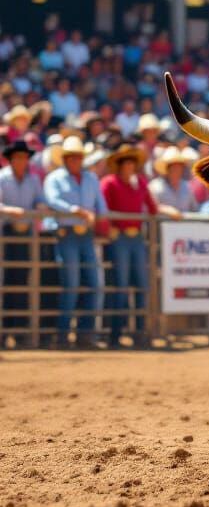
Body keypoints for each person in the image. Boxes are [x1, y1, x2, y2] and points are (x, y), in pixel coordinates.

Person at [100, 142, 181, 347]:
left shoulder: (141, 183)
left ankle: (139, 333)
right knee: (121, 286)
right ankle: (115, 335)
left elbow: (152, 207)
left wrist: (165, 210)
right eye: (125, 162)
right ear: (119, 165)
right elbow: (103, 209)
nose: (128, 166)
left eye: (131, 162)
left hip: (136, 238)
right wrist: (108, 228)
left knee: (141, 285)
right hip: (119, 239)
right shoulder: (109, 183)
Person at [42, 136, 105, 348]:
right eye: (72, 157)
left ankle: (84, 335)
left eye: (78, 157)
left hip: (85, 234)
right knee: (71, 284)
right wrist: (75, 210)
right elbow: (51, 200)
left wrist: (97, 216)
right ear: (66, 158)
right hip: (66, 233)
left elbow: (101, 206)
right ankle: (62, 335)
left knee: (93, 285)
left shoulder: (91, 179)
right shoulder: (54, 178)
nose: (75, 160)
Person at [0, 139, 47, 343]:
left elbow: (41, 200)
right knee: (5, 279)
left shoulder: (34, 180)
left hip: (26, 233)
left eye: (24, 157)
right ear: (11, 159)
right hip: (6, 233)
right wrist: (10, 211)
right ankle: (3, 332)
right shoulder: (2, 178)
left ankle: (19, 330)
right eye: (18, 157)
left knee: (22, 279)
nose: (21, 161)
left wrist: (40, 207)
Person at [149, 147, 196, 213]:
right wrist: (164, 209)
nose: (177, 170)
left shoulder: (188, 187)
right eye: (174, 167)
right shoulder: (154, 186)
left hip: (185, 223)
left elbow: (194, 209)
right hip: (162, 223)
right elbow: (150, 208)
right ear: (167, 169)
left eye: (180, 167)